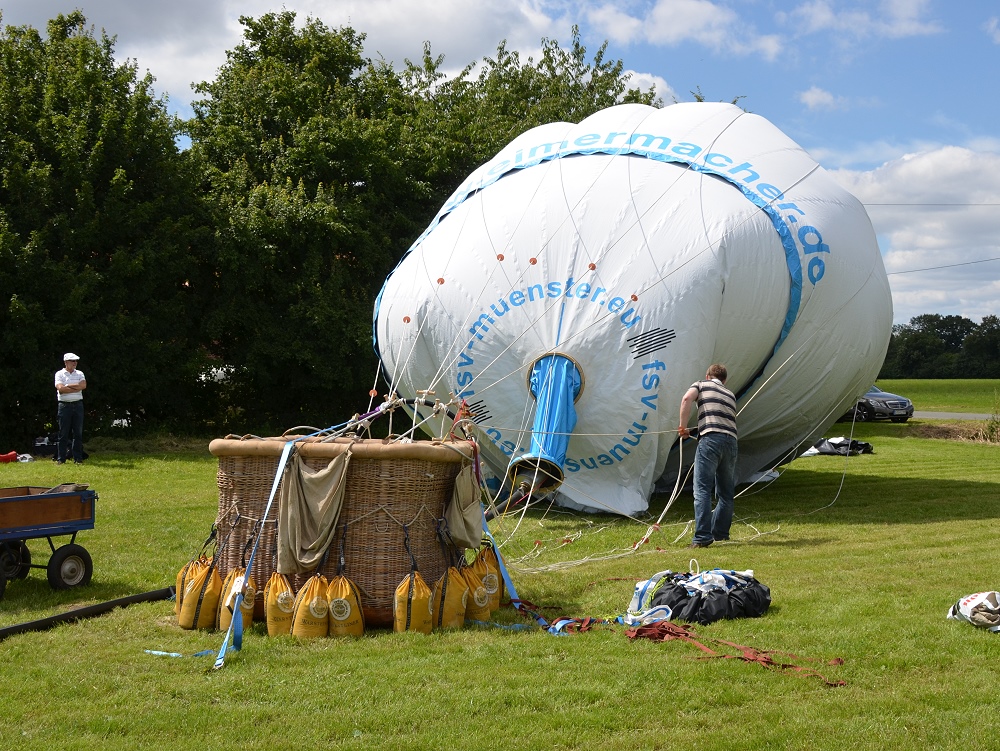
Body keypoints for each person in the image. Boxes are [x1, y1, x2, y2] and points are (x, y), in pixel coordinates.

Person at [678, 363, 737, 548]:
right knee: (726, 494)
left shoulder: (701, 384)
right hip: (731, 442)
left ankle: (702, 537)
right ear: (724, 380)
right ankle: (720, 533)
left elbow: (687, 399)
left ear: (708, 375)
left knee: (702, 489)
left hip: (710, 440)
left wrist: (683, 427)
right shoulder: (730, 394)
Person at [54, 352, 87, 464]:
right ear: (66, 362)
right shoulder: (59, 374)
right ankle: (61, 459)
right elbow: (60, 389)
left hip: (77, 405)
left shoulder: (80, 373)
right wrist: (75, 387)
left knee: (77, 433)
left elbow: (83, 386)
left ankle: (78, 458)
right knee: (63, 433)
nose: (75, 363)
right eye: (72, 361)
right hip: (64, 406)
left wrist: (67, 386)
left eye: (76, 361)